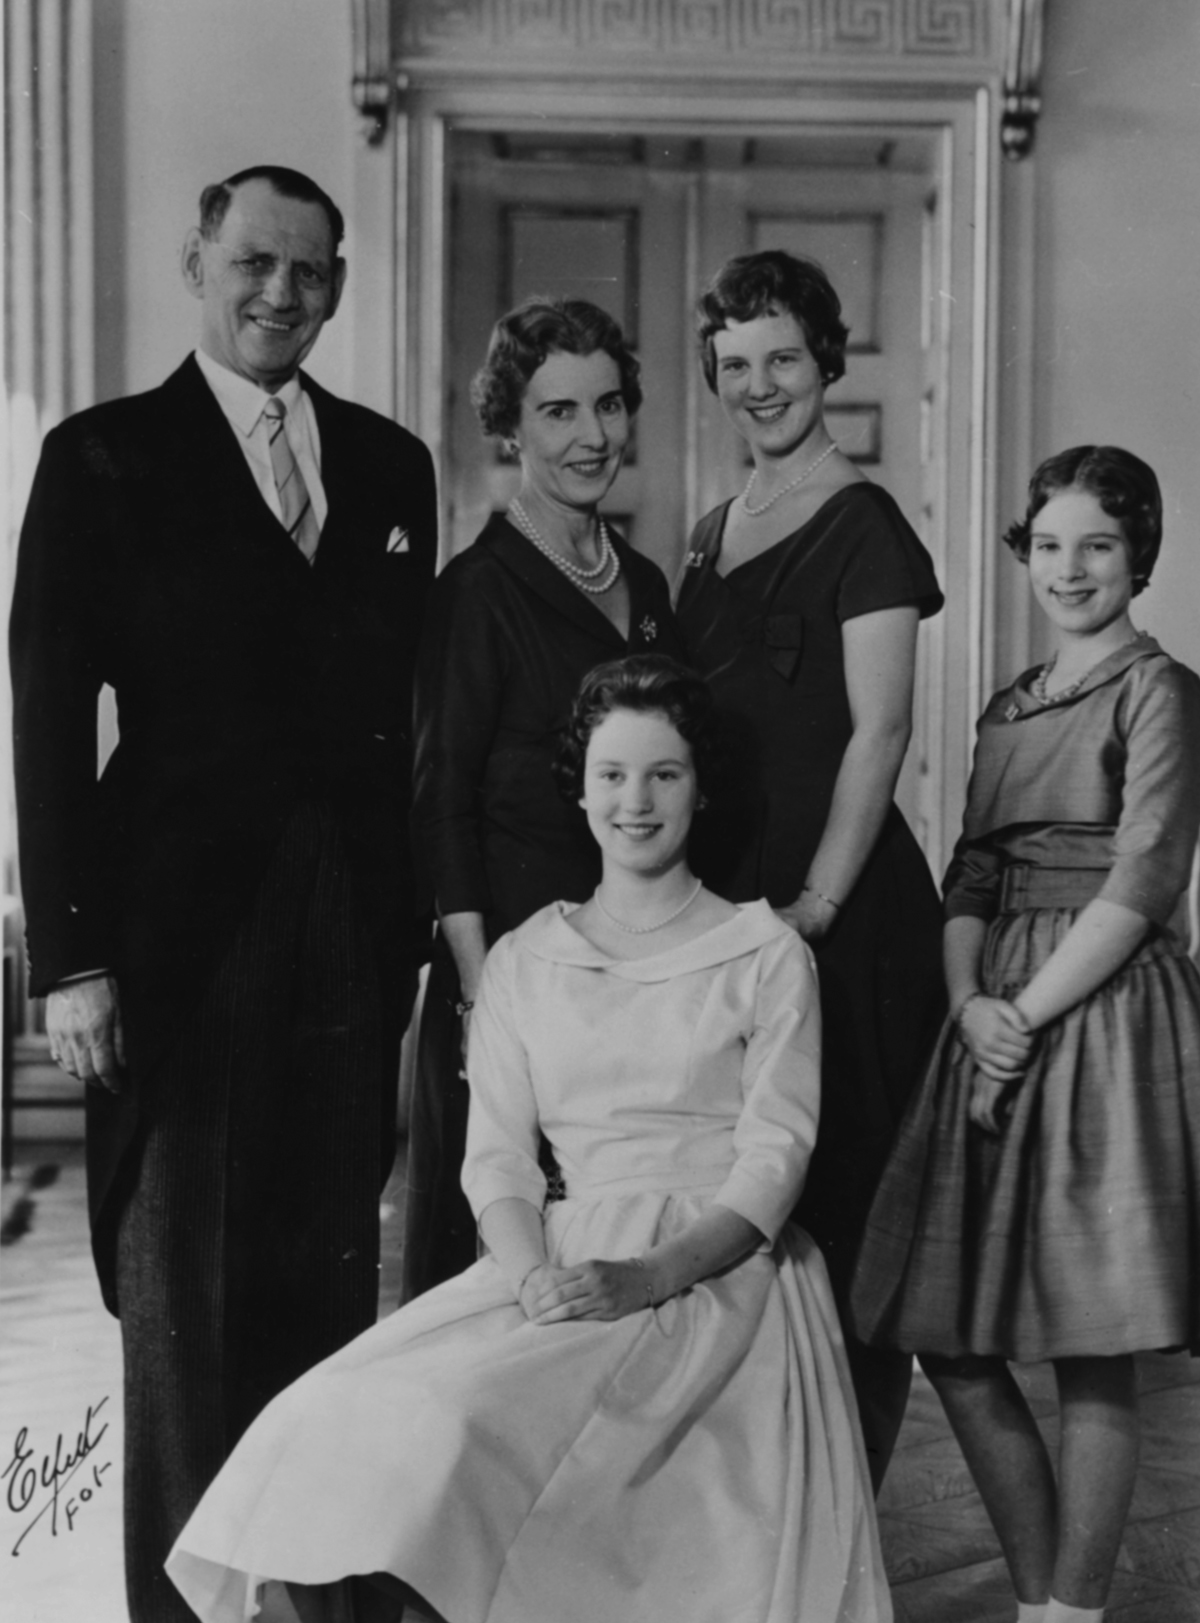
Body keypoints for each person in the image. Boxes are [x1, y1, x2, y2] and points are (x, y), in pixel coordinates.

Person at [166, 653, 891, 1623]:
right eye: (612, 775)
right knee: (331, 1418)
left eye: (664, 774)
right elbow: (497, 1161)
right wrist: (531, 1279)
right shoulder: (524, 960)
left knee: (481, 1439)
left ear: (702, 789)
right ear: (580, 790)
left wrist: (646, 1278)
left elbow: (774, 1165)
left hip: (719, 1278)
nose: (637, 801)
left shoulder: (763, 955)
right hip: (549, 1259)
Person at [9, 165, 437, 1623]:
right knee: (181, 1311)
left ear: (339, 284)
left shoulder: (390, 466)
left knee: (327, 1301)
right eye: (253, 262)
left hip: (348, 931)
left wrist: (403, 936)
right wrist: (69, 960)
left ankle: (313, 1599)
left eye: (311, 273)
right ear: (197, 260)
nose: (280, 295)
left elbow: (402, 723)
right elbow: (49, 715)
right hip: (171, 931)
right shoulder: (100, 457)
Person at [850, 446, 1200, 1623]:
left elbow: (1147, 876)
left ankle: (1070, 1610)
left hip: (1099, 1014)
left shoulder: (1162, 690)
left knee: (1096, 1340)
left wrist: (1027, 1011)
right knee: (945, 1332)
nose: (1071, 568)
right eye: (1049, 544)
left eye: (1098, 544)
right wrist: (969, 1007)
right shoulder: (1008, 706)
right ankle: (1046, 1591)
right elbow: (969, 874)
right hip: (991, 1012)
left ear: (1138, 555)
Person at [675, 248, 945, 1486]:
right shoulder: (707, 532)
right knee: (742, 1224)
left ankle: (847, 1548)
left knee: (849, 1228)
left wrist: (817, 912)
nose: (762, 385)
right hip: (730, 929)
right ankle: (763, 1531)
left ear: (827, 359)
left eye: (783, 358)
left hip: (842, 924)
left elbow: (879, 734)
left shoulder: (868, 523)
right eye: (736, 366)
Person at [403, 296, 683, 1300]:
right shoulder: (475, 590)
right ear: (511, 426)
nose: (593, 435)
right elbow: (441, 802)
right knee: (506, 1286)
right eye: (559, 412)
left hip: (632, 977)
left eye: (608, 406)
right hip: (516, 977)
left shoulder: (648, 586)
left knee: (616, 1268)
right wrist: (486, 997)